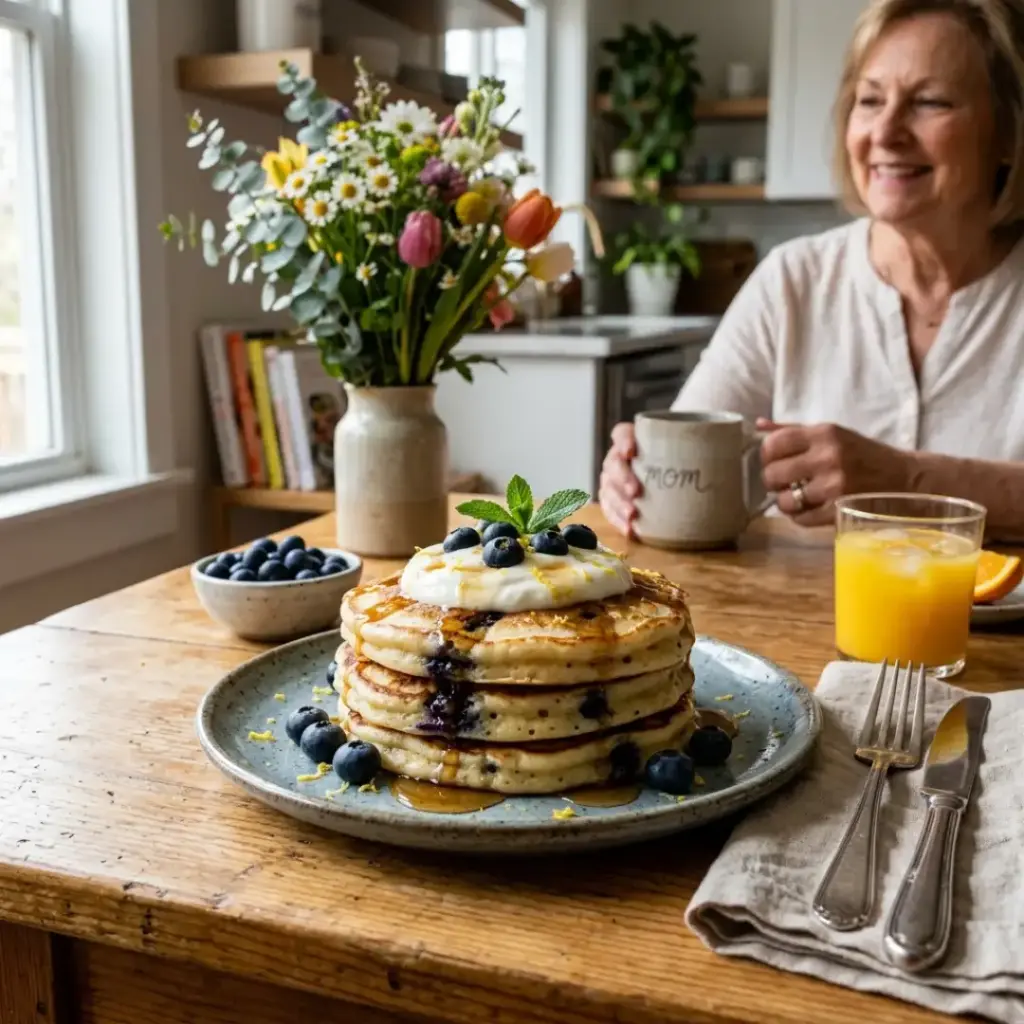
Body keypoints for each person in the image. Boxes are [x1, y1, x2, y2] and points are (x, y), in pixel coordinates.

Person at [599, 0, 1024, 540]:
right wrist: (635, 474)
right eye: (869, 101)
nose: (885, 132)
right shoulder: (792, 280)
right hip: (792, 598)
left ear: (1008, 134)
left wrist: (905, 479)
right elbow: (691, 449)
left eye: (929, 102)